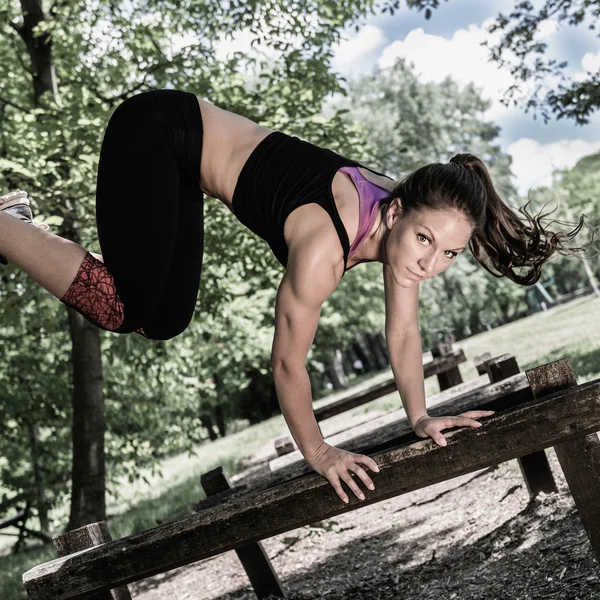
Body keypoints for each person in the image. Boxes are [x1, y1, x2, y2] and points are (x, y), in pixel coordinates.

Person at [0, 89, 583, 505]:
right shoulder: (323, 248)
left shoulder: (408, 219)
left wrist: (421, 414)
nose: (428, 263)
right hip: (153, 132)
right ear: (397, 212)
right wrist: (322, 453)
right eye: (426, 242)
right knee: (120, 307)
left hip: (182, 161)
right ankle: (6, 223)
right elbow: (285, 363)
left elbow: (402, 332)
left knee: (163, 320)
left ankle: (16, 226)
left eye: (449, 254)